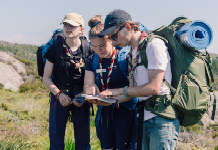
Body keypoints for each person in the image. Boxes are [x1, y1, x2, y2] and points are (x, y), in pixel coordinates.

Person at [97, 9, 180, 150]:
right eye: (111, 38)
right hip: (143, 117)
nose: (113, 41)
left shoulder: (154, 45)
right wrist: (110, 100)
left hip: (161, 118)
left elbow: (154, 88)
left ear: (128, 27)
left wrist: (116, 90)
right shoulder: (133, 51)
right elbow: (133, 90)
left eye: (114, 35)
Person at [84, 15, 138, 150]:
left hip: (126, 111)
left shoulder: (125, 57)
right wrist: (90, 88)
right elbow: (87, 85)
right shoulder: (92, 60)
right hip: (104, 113)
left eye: (102, 45)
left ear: (111, 39)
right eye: (94, 46)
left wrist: (114, 99)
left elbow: (134, 90)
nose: (98, 50)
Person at [43, 12, 94, 150]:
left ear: (81, 29)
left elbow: (92, 79)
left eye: (72, 25)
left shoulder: (88, 49)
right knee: (56, 139)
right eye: (66, 25)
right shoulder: (55, 48)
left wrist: (84, 95)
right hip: (59, 94)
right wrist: (59, 94)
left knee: (83, 140)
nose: (68, 28)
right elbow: (46, 78)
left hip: (81, 96)